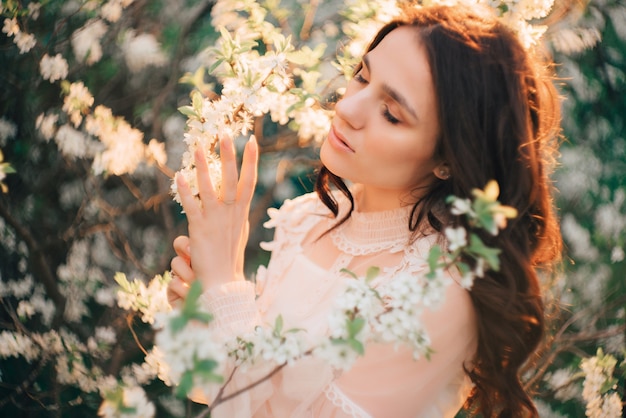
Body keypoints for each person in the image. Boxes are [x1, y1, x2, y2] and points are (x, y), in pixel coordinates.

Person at [167, 3, 562, 417]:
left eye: (391, 114)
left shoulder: (438, 291)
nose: (346, 108)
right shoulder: (310, 220)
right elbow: (219, 389)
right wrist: (203, 309)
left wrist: (226, 286)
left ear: (449, 157)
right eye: (362, 76)